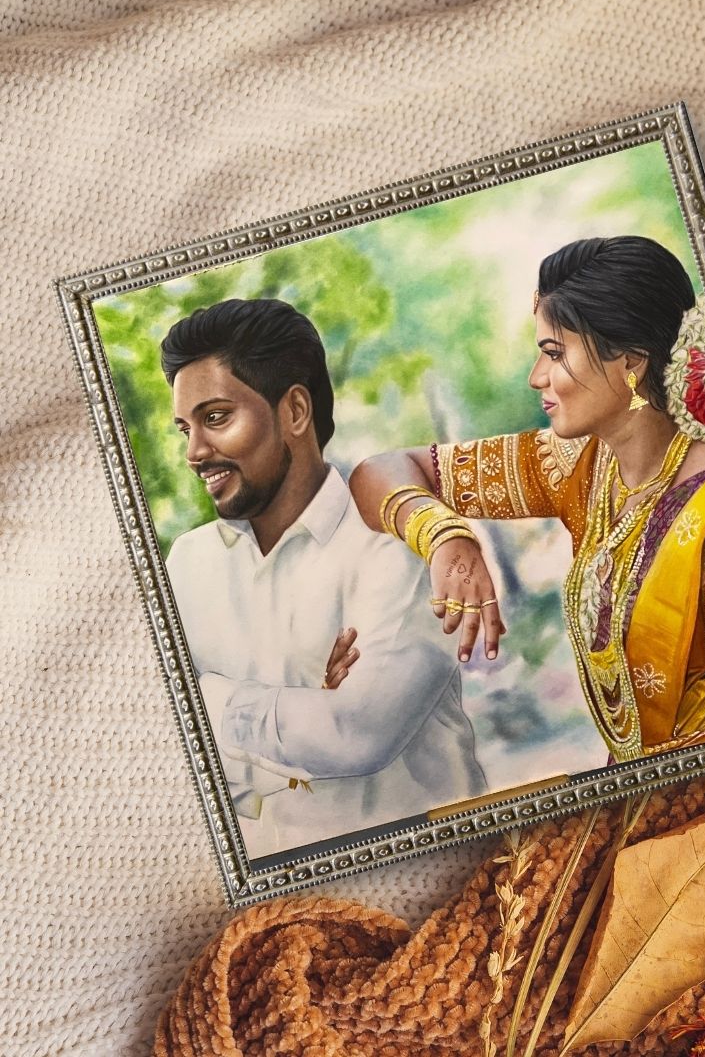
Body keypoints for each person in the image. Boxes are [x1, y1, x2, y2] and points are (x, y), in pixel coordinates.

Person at [350, 236, 705, 765]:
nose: (536, 377)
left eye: (554, 353)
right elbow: (379, 472)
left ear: (631, 363)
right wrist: (444, 537)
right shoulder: (579, 464)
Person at [162, 298, 485, 859]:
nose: (194, 452)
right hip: (276, 895)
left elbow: (356, 735)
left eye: (215, 418)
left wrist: (203, 698)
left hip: (441, 875)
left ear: (293, 411)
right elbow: (172, 758)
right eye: (185, 428)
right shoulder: (188, 565)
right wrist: (304, 709)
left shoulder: (397, 546)